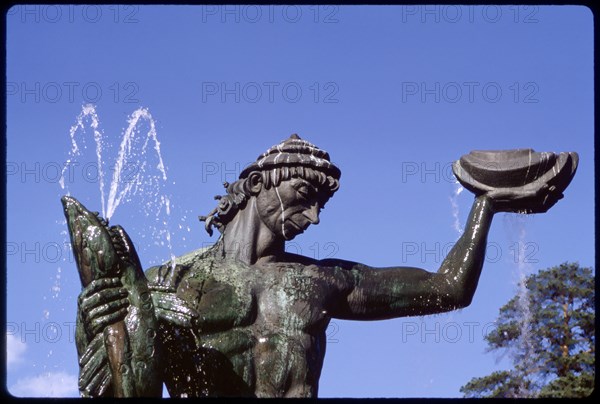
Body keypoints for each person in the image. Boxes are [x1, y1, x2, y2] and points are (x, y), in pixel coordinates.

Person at [72, 134, 564, 397]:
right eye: (305, 196)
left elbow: (447, 289)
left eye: (321, 206)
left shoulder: (320, 280)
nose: (313, 217)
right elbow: (118, 380)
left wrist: (487, 206)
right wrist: (90, 325)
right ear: (258, 185)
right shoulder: (167, 282)